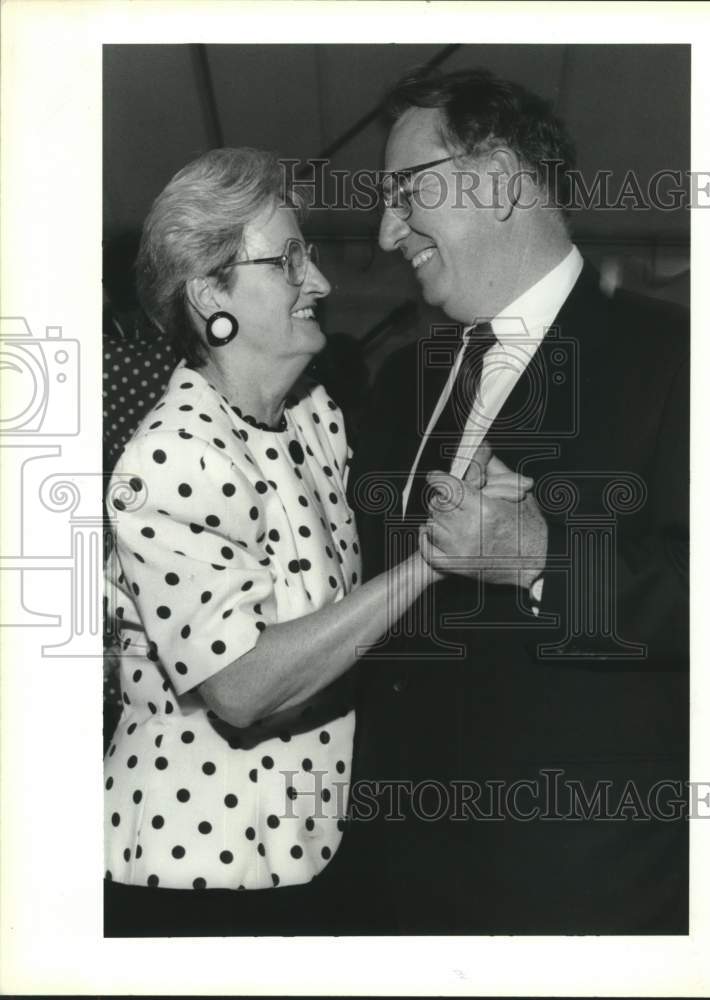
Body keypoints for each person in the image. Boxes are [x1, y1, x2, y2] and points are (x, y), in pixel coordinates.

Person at [349, 69, 689, 934]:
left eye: (405, 192)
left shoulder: (682, 357)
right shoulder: (399, 385)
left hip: (572, 891)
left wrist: (539, 557)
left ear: (498, 179)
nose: (388, 232)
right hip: (393, 884)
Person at [103, 147, 450, 936]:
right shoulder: (172, 455)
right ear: (208, 295)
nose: (320, 283)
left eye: (311, 257)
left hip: (312, 850)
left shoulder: (311, 418)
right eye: (287, 260)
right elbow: (243, 686)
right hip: (197, 874)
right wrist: (428, 563)